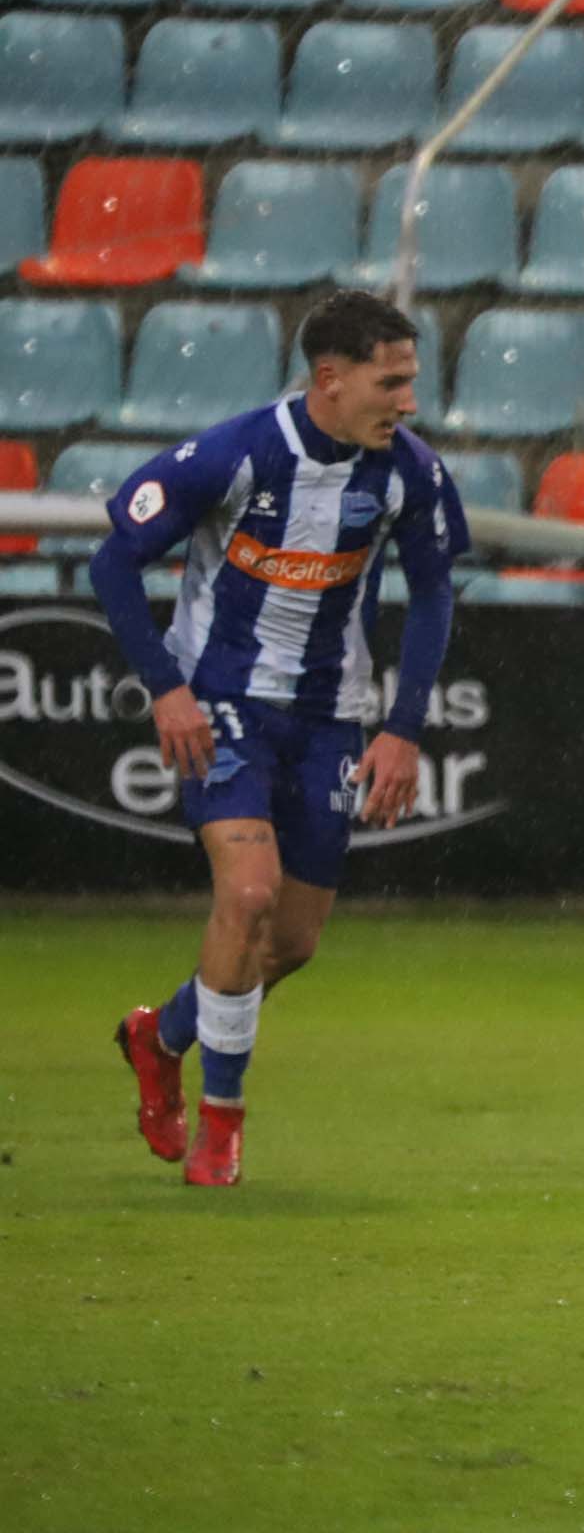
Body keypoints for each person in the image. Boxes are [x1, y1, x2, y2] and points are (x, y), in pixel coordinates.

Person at [102, 290, 470, 1188]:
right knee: (251, 892)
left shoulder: (410, 475)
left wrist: (402, 728)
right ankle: (221, 1131)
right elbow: (113, 559)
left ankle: (163, 1036)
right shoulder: (235, 456)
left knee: (293, 942)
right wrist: (168, 690)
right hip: (224, 700)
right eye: (392, 383)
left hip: (328, 717)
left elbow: (433, 592)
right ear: (330, 379)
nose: (408, 402)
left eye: (412, 382)